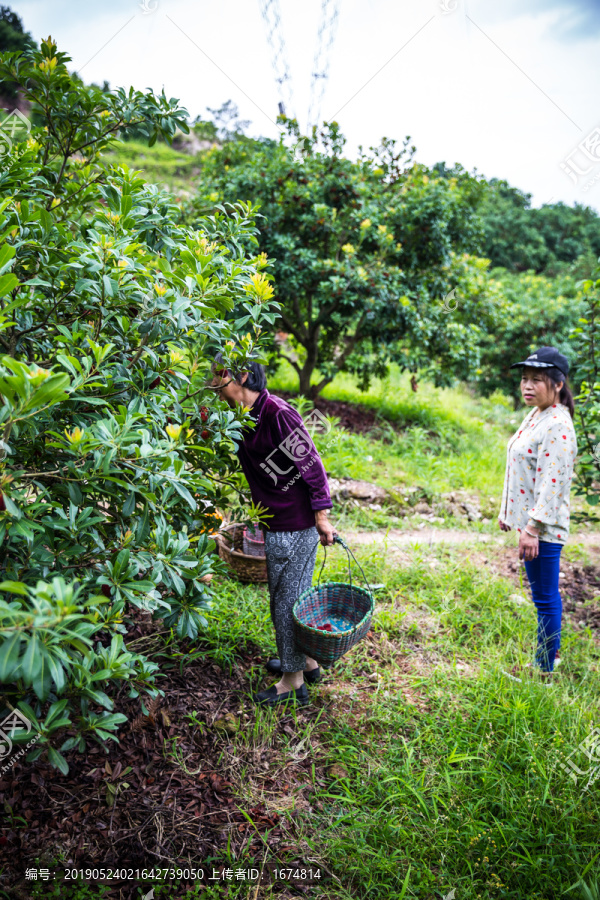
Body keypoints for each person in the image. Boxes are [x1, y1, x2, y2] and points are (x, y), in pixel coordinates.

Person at [208, 358, 336, 707]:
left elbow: (311, 463)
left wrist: (322, 516)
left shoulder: (276, 413)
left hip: (294, 523)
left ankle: (292, 682)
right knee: (292, 594)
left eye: (219, 374)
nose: (212, 380)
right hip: (278, 521)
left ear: (242, 377)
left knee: (286, 602)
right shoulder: (241, 419)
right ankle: (307, 662)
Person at [498, 346, 578, 679]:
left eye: (537, 380)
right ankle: (548, 658)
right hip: (532, 525)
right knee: (542, 596)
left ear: (558, 384)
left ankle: (544, 668)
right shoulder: (537, 414)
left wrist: (531, 528)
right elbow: (524, 468)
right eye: (524, 379)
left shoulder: (558, 424)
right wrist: (510, 514)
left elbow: (552, 484)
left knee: (545, 598)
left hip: (542, 529)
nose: (528, 386)